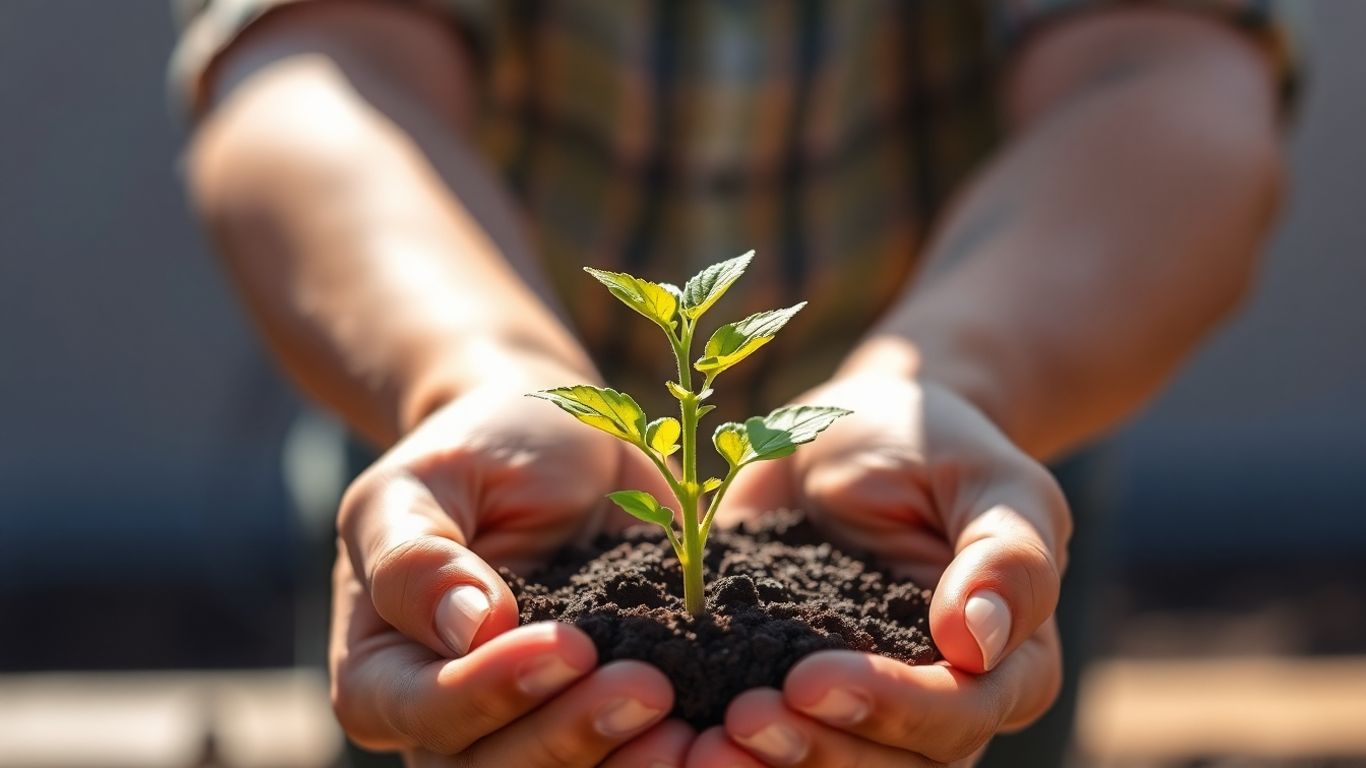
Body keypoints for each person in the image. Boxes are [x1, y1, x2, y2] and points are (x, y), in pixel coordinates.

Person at [173, 0, 1296, 765]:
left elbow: (1162, 66)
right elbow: (317, 68)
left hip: (955, 482)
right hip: (465, 488)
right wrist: (475, 375)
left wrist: (956, 378)